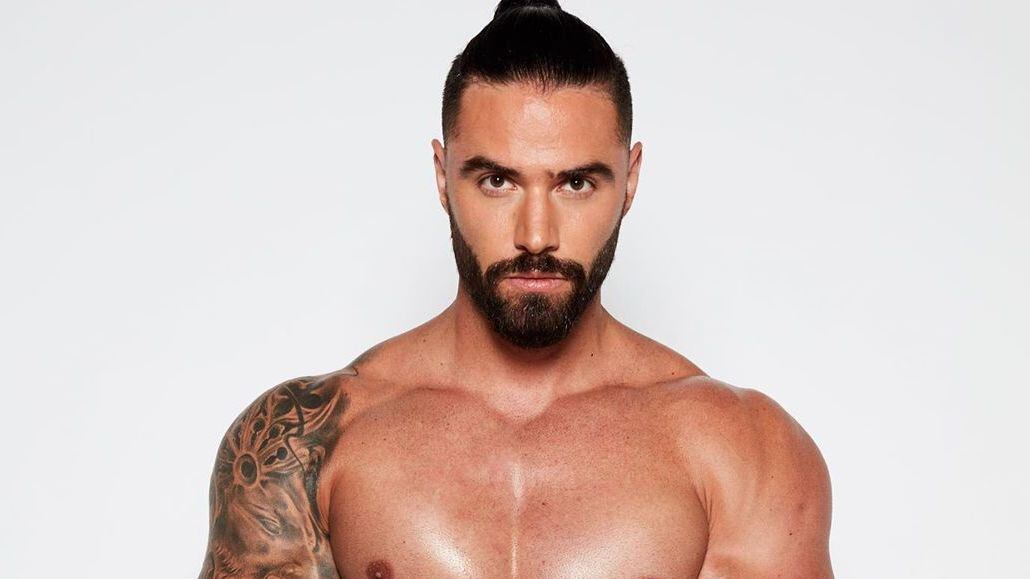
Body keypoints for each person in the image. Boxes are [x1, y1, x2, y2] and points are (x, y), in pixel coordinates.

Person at [197, 1, 834, 577]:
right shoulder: (303, 443)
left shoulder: (742, 452)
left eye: (576, 183)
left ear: (630, 180)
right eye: (497, 181)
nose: (536, 235)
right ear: (443, 176)